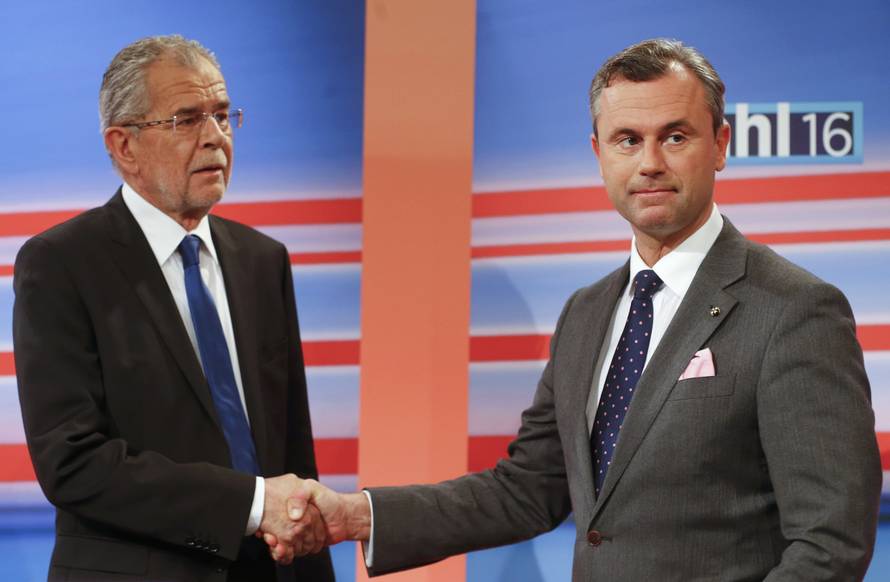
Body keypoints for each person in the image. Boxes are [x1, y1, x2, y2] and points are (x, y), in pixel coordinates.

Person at [269, 38, 883, 580]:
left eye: (675, 136)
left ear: (720, 144)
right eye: (627, 140)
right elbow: (530, 489)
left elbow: (830, 542)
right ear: (598, 153)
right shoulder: (585, 314)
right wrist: (357, 515)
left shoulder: (795, 310)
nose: (650, 163)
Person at [13, 35, 334, 581]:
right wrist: (252, 505)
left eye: (223, 115)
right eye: (187, 120)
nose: (216, 138)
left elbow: (291, 454)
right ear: (124, 146)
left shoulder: (263, 260)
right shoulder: (60, 264)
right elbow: (73, 462)